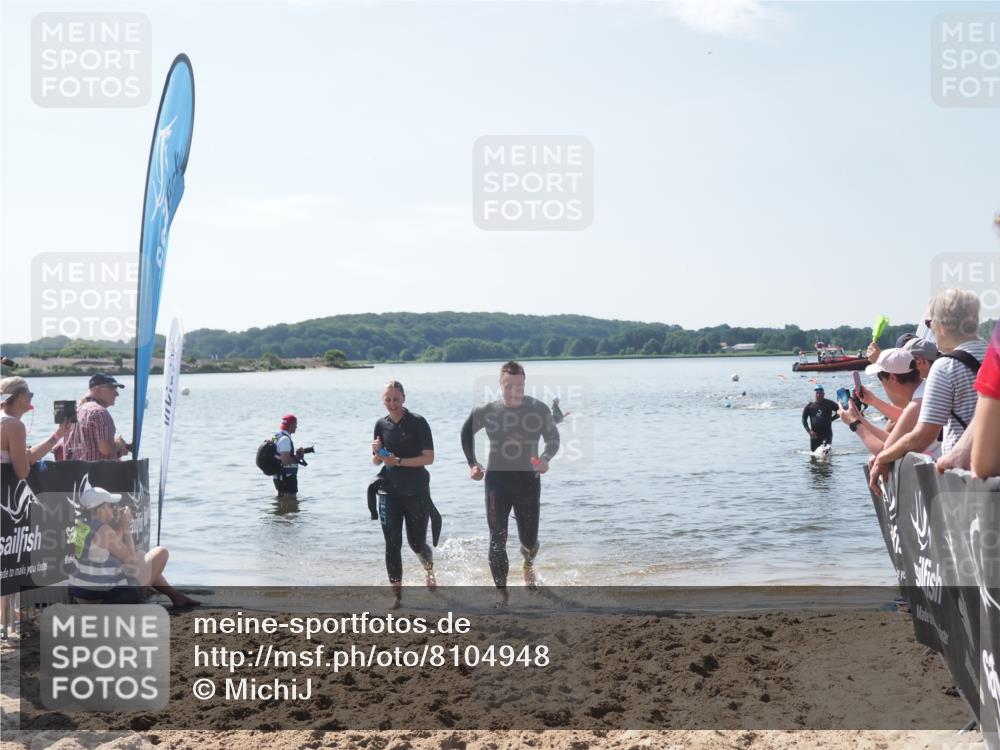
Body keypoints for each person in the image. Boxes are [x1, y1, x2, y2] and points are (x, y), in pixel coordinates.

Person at [461, 361, 560, 605]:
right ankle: (502, 592)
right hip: (497, 481)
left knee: (529, 541)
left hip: (528, 480)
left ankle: (527, 564)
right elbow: (465, 433)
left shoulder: (538, 409)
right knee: (497, 538)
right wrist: (472, 463)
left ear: (524, 384)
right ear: (500, 385)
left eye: (518, 385)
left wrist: (545, 459)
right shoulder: (486, 410)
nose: (513, 390)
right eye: (508, 385)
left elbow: (553, 438)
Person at [870, 289, 986, 491]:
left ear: (941, 325)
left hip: (966, 480)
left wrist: (883, 457)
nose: (930, 330)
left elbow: (922, 435)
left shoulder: (945, 366)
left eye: (929, 324)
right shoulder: (994, 355)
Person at [1, 377, 71, 641]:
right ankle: (5, 622)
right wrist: (27, 465)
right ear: (19, 397)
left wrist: (56, 436)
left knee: (6, 562)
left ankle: (7, 619)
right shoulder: (13, 425)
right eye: (29, 393)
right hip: (6, 504)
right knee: (8, 560)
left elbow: (25, 456)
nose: (31, 397)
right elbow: (22, 470)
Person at [66, 486, 199, 608]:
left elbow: (103, 555)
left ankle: (177, 597)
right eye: (111, 505)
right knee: (161, 553)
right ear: (100, 510)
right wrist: (126, 528)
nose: (114, 508)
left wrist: (118, 529)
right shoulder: (104, 530)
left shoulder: (81, 526)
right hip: (101, 600)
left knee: (142, 555)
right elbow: (131, 560)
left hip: (82, 596)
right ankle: (140, 603)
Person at [371, 381, 436, 608]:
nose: (392, 403)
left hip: (416, 490)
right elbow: (377, 460)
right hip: (389, 490)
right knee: (392, 542)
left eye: (396, 399)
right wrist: (376, 452)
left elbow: (429, 458)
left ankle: (429, 569)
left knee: (416, 543)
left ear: (404, 399)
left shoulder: (418, 423)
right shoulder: (381, 424)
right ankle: (397, 596)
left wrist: (399, 461)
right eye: (388, 399)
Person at [840, 349, 924, 456]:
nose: (880, 382)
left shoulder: (917, 405)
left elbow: (885, 452)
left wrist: (854, 423)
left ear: (893, 378)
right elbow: (902, 422)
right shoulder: (925, 389)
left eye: (879, 377)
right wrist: (872, 403)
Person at [64, 374, 131, 461]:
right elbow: (106, 449)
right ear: (97, 389)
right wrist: (119, 444)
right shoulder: (99, 412)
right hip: (98, 473)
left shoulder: (77, 410)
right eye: (112, 388)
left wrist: (117, 452)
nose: (117, 394)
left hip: (77, 472)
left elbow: (85, 449)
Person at [273, 414, 306, 497]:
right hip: (287, 478)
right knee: (291, 503)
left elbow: (280, 457)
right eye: (296, 424)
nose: (296, 427)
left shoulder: (277, 436)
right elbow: (285, 461)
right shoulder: (285, 439)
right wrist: (298, 457)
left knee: (282, 502)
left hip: (279, 477)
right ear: (291, 425)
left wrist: (296, 455)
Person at [801, 385, 839, 451]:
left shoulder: (829, 403)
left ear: (824, 394)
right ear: (815, 394)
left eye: (820, 393)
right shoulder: (810, 406)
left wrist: (831, 419)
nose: (818, 395)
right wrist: (809, 431)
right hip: (814, 434)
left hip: (827, 433)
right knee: (814, 455)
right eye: (817, 393)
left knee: (826, 453)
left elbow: (840, 411)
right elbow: (804, 419)